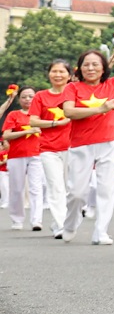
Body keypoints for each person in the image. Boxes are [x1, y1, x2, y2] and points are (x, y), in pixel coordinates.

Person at [61, 40, 114, 244]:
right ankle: (70, 224)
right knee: (76, 192)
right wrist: (100, 109)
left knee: (107, 189)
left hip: (109, 142)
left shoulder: (112, 84)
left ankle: (101, 231)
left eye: (95, 64)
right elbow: (69, 111)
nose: (91, 68)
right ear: (80, 68)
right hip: (81, 144)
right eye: (86, 65)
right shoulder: (73, 88)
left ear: (103, 68)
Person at [28, 61, 73, 237]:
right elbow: (33, 121)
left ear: (69, 75)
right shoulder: (40, 96)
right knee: (55, 186)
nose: (58, 75)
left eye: (62, 71)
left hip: (72, 146)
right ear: (49, 74)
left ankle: (58, 222)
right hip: (49, 148)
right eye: (54, 71)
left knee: (72, 188)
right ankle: (62, 226)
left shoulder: (74, 93)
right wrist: (56, 123)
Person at [3, 88, 44, 231]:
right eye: (24, 97)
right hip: (16, 155)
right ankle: (17, 219)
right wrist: (28, 131)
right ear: (19, 99)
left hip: (37, 155)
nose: (27, 99)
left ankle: (36, 220)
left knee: (36, 188)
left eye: (31, 96)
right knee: (16, 189)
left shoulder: (41, 114)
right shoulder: (14, 115)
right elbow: (6, 135)